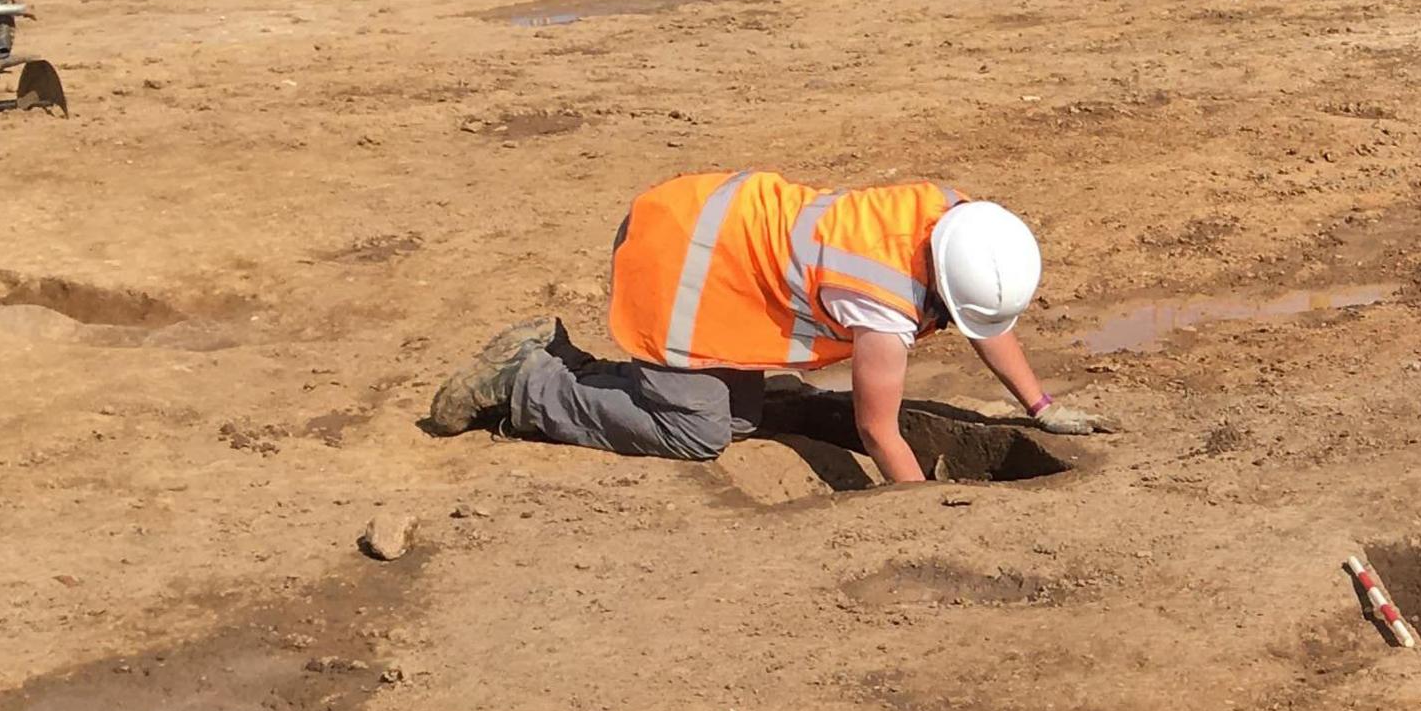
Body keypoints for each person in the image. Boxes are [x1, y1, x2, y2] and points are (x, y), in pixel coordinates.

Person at [420, 170, 1113, 480]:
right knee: (697, 430)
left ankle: (577, 367)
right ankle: (525, 382)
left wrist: (1041, 407)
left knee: (741, 413)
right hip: (684, 258)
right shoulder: (882, 298)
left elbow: (980, 312)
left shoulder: (955, 219)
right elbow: (878, 429)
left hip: (723, 236)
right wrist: (918, 503)